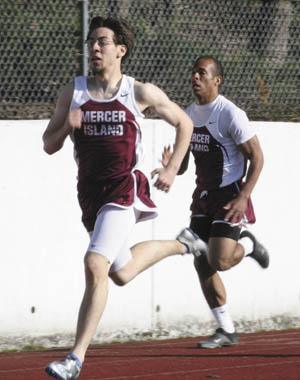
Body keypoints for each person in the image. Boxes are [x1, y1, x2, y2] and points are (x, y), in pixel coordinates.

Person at [43, 16, 205, 380]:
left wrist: (171, 169)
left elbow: (185, 123)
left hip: (124, 190)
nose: (95, 48)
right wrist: (67, 124)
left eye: (102, 42)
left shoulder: (138, 92)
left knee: (94, 265)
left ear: (121, 49)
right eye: (91, 42)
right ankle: (184, 243)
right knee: (121, 271)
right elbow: (48, 145)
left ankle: (75, 358)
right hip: (91, 198)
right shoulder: (74, 92)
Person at [162, 55, 269, 349]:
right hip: (203, 196)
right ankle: (226, 329)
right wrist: (170, 164)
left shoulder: (230, 114)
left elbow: (257, 157)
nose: (195, 77)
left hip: (229, 195)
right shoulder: (187, 116)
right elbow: (182, 165)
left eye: (201, 73)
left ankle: (248, 245)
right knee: (201, 261)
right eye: (193, 72)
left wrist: (244, 196)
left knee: (219, 260)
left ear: (216, 80)